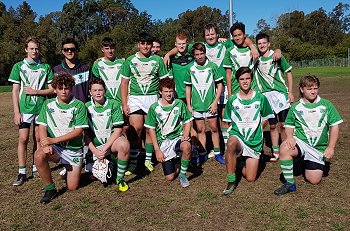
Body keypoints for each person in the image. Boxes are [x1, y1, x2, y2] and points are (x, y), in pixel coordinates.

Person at [274, 75, 342, 195]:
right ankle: (290, 184)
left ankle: (303, 160)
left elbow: (335, 126)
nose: (313, 91)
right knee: (285, 147)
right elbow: (289, 126)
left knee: (314, 180)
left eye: (315, 88)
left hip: (317, 148)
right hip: (301, 142)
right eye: (309, 88)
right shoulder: (295, 107)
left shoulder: (326, 105)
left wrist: (331, 147)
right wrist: (289, 137)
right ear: (301, 89)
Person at [34, 72, 89, 204]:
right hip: (56, 148)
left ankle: (72, 167)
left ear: (71, 88)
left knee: (72, 187)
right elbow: (42, 126)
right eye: (60, 88)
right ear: (54, 88)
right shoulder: (48, 104)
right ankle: (50, 189)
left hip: (73, 149)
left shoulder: (79, 105)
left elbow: (78, 131)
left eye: (67, 88)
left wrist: (53, 140)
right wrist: (45, 144)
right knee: (39, 155)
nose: (64, 91)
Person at [120, 32, 168, 175]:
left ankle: (148, 159)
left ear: (151, 45)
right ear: (138, 44)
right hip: (135, 98)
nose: (145, 46)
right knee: (136, 129)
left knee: (149, 128)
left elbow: (164, 81)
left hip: (152, 97)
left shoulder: (158, 60)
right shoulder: (130, 60)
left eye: (148, 43)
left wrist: (164, 99)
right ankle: (134, 161)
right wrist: (124, 103)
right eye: (143, 43)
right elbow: (124, 83)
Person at [8, 36, 54, 186]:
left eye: (36, 48)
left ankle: (36, 167)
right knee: (23, 138)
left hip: (41, 108)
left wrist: (36, 92)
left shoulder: (45, 67)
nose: (34, 51)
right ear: (26, 49)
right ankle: (22, 172)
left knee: (38, 138)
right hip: (25, 109)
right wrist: (16, 111)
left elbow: (52, 89)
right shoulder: (19, 66)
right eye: (31, 48)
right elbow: (15, 90)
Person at [223, 67, 274, 195]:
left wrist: (255, 129)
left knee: (251, 178)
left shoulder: (260, 98)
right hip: (238, 137)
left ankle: (239, 162)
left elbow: (267, 118)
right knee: (231, 143)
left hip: (254, 141)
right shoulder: (232, 100)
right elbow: (226, 121)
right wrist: (228, 140)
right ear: (238, 81)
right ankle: (231, 181)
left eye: (247, 78)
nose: (245, 81)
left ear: (251, 80)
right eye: (241, 79)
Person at [145, 77, 193, 187]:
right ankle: (179, 161)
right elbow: (151, 129)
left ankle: (182, 174)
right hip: (163, 142)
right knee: (169, 177)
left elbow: (188, 121)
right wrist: (157, 150)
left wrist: (185, 135)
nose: (169, 94)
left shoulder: (179, 104)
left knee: (186, 146)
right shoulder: (154, 108)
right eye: (166, 91)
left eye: (171, 91)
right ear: (160, 92)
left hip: (177, 138)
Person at [254, 33, 295, 161]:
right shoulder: (256, 59)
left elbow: (288, 72)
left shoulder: (277, 56)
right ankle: (276, 151)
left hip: (280, 94)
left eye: (264, 43)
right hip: (266, 96)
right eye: (259, 43)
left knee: (283, 124)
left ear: (269, 44)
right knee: (272, 125)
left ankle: (286, 149)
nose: (262, 45)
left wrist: (290, 92)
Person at [84, 78, 129, 191]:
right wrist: (96, 151)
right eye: (94, 90)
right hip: (94, 148)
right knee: (94, 173)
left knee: (124, 144)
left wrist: (104, 149)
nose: (98, 92)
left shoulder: (114, 104)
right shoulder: (85, 107)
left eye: (100, 90)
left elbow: (118, 130)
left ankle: (120, 179)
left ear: (105, 91)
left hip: (110, 144)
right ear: (90, 92)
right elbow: (85, 134)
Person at [185, 43, 224, 164]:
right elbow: (188, 88)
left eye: (202, 53)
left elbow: (219, 85)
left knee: (214, 128)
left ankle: (217, 153)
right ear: (194, 55)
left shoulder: (212, 66)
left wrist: (215, 102)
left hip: (210, 104)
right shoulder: (190, 68)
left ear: (205, 53)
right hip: (197, 105)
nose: (200, 56)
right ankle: (203, 153)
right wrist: (189, 105)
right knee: (200, 130)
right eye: (197, 54)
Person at [53, 38, 90, 103]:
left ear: (76, 50)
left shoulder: (85, 69)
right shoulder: (57, 70)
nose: (69, 51)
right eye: (66, 49)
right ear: (63, 51)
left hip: (81, 108)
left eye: (72, 49)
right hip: (63, 109)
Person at [91, 37, 124, 103]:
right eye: (107, 48)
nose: (110, 51)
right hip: (105, 102)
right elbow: (94, 84)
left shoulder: (123, 63)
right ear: (102, 49)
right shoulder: (97, 64)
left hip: (121, 102)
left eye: (112, 48)